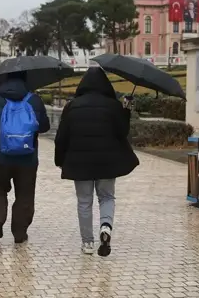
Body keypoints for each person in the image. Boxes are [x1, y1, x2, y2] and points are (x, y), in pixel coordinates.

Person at [54, 67, 139, 257]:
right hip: (107, 162)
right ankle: (106, 227)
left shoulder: (72, 106)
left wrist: (60, 160)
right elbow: (122, 132)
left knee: (84, 202)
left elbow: (61, 138)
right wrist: (125, 112)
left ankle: (87, 244)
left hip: (79, 162)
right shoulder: (113, 105)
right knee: (107, 197)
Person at [0, 72, 50, 243]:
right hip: (27, 156)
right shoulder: (34, 100)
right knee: (25, 194)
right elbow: (45, 126)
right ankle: (20, 233)